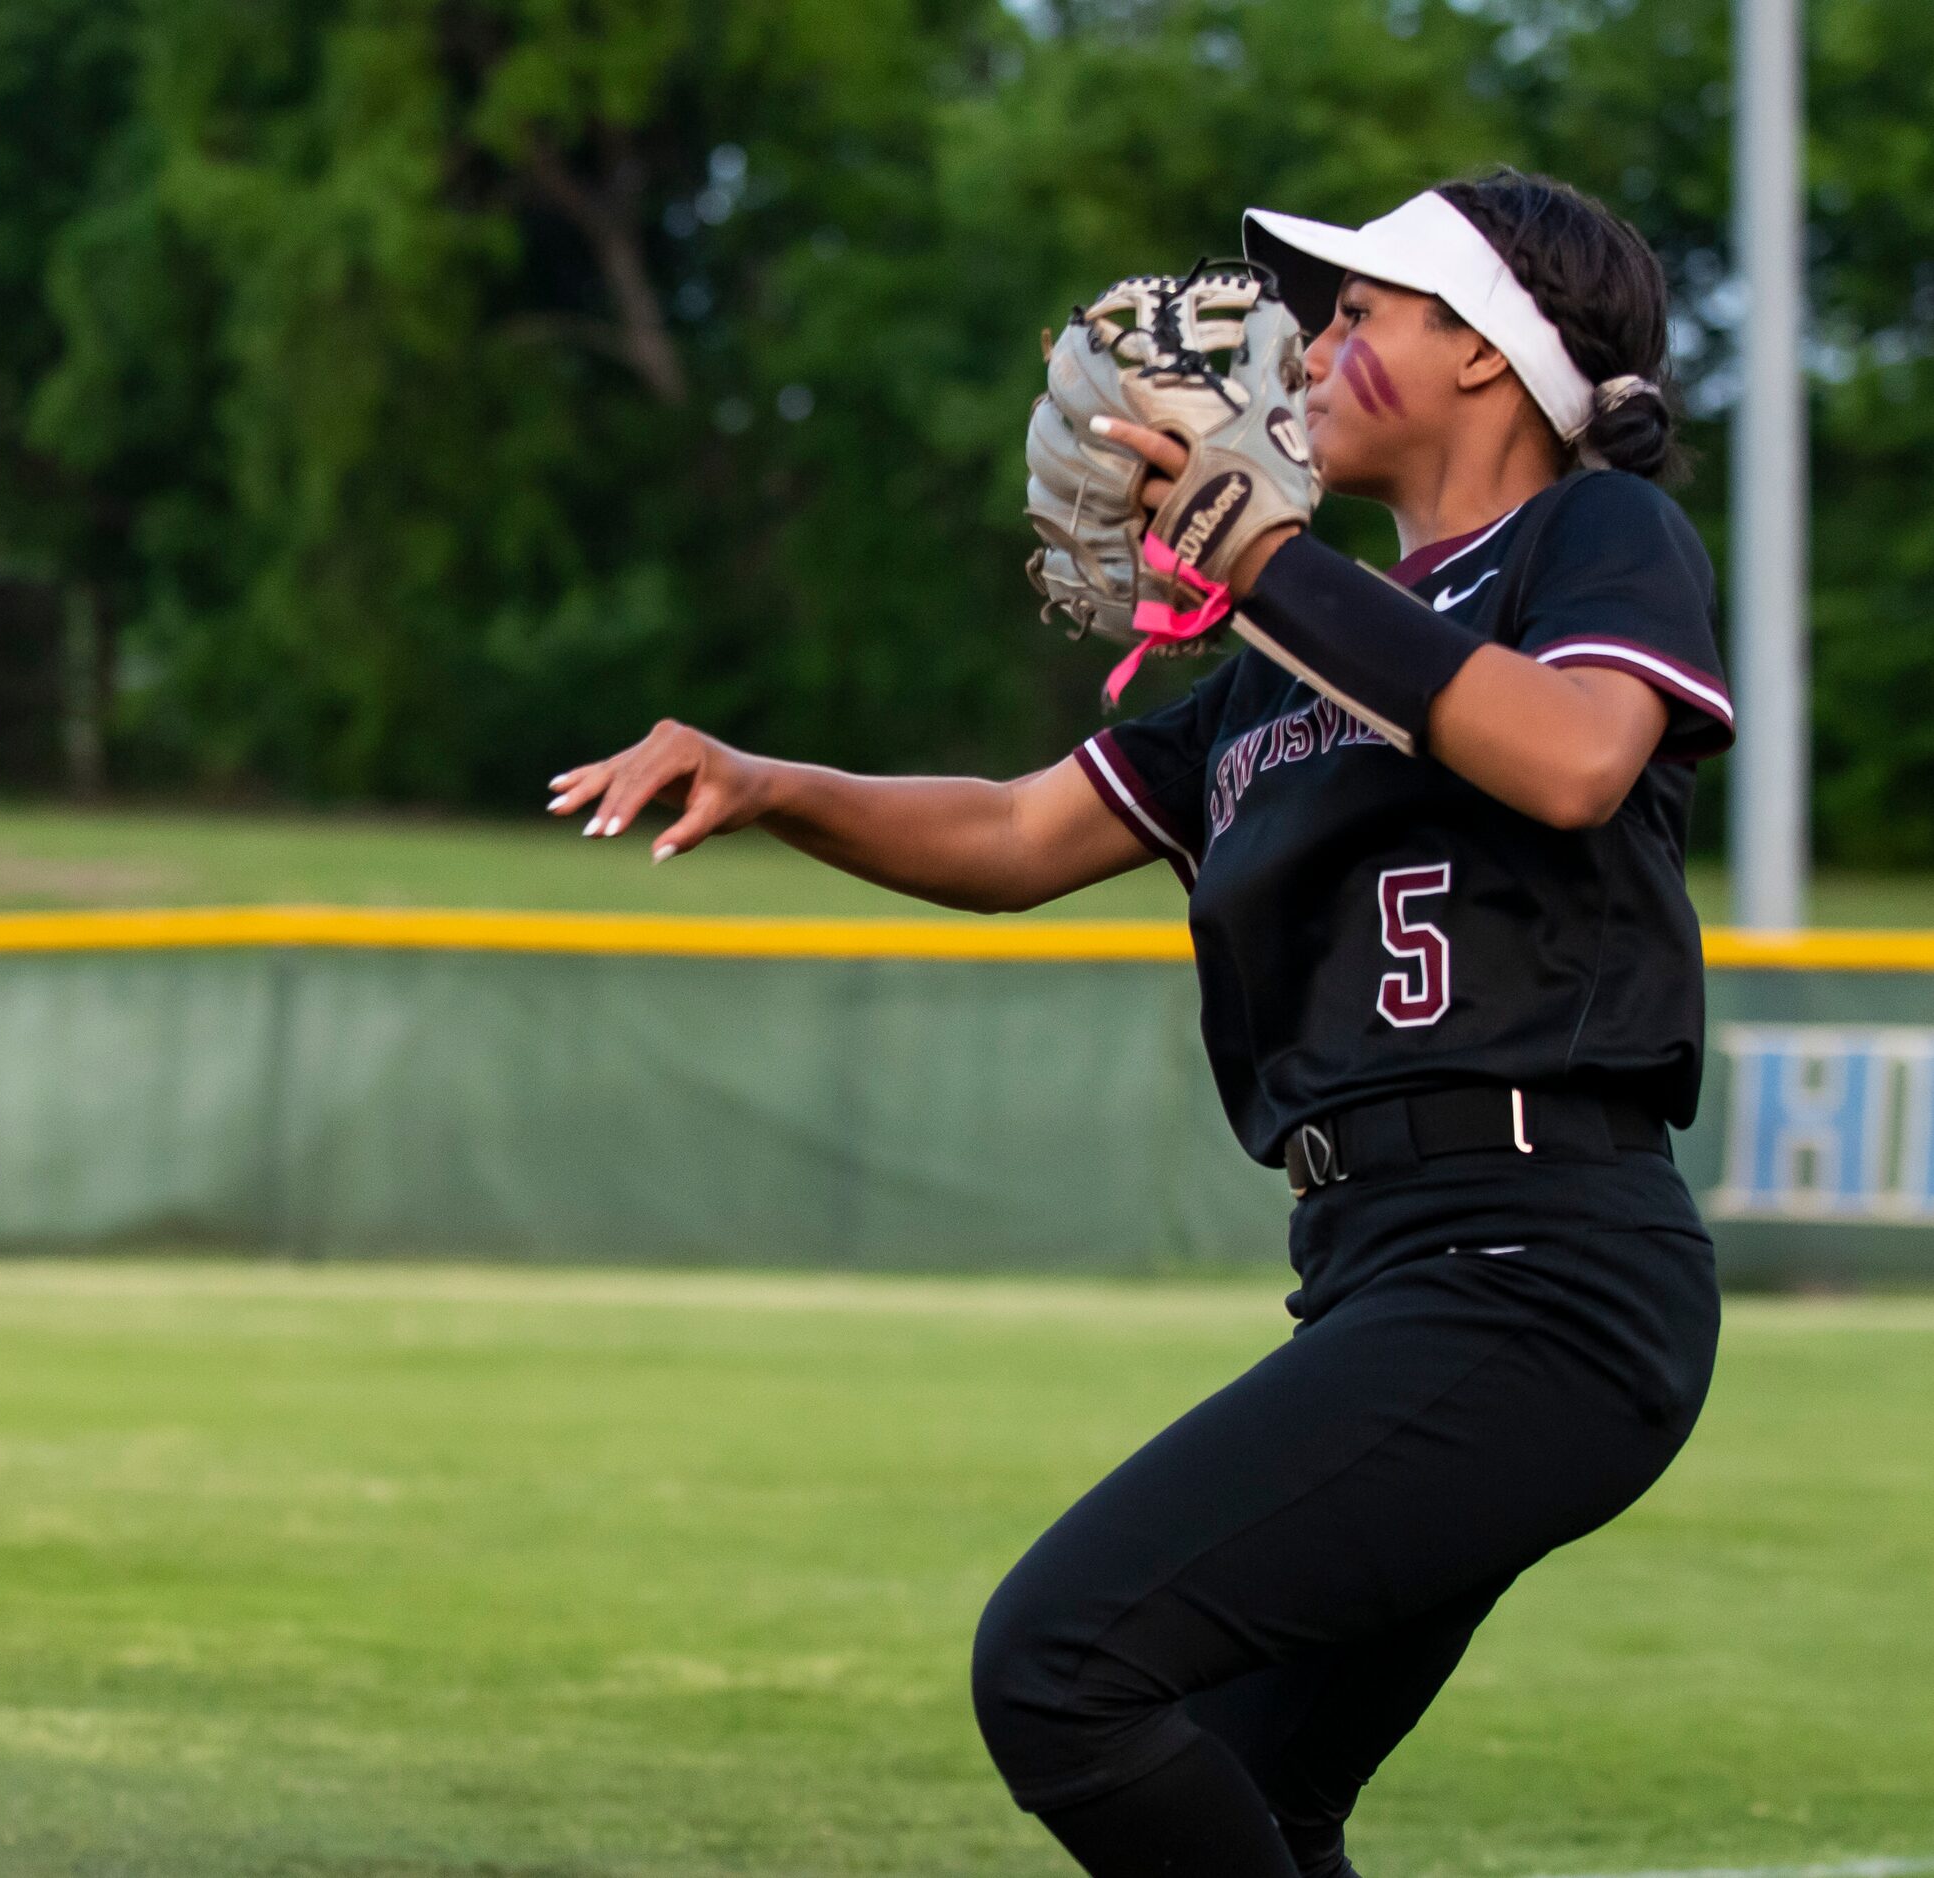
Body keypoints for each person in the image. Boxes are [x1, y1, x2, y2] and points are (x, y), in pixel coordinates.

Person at [545, 169, 1731, 1878]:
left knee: (1059, 1671)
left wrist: (1258, 562)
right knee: (1254, 1784)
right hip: (1387, 1268)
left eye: (1364, 315)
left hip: (1544, 1268)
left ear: (1489, 357)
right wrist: (770, 780)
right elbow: (1020, 838)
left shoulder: (1590, 536)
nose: (1315, 351)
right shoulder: (1276, 671)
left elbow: (1569, 755)